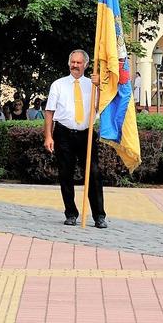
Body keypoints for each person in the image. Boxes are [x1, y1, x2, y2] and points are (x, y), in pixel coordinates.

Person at [43, 49, 104, 228]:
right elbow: (49, 112)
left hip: (87, 133)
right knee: (65, 174)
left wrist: (100, 87)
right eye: (73, 62)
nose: (75, 65)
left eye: (78, 63)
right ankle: (71, 213)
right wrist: (48, 135)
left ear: (85, 65)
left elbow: (101, 106)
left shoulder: (92, 84)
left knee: (93, 174)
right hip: (63, 134)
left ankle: (99, 216)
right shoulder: (58, 85)